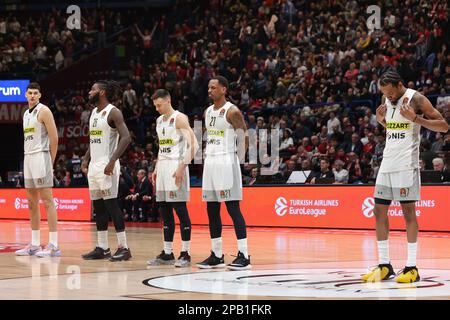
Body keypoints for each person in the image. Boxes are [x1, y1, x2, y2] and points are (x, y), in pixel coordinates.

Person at [362, 69, 449, 283]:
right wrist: (381, 120)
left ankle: (412, 267)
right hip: (387, 162)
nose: (388, 97)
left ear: (400, 84)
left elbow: (444, 126)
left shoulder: (416, 98)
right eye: (385, 94)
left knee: (408, 212)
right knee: (378, 210)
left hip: (406, 165)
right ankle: (385, 265)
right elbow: (395, 129)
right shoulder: (386, 98)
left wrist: (416, 118)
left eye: (390, 93)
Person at [197, 76, 252, 270]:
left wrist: (243, 160)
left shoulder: (232, 111)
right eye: (209, 87)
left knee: (232, 208)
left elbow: (245, 136)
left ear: (224, 89)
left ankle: (244, 254)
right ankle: (217, 255)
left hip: (227, 160)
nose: (210, 90)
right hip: (211, 161)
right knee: (212, 210)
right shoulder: (208, 111)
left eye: (214, 87)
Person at [81, 80, 132, 262]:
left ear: (101, 92)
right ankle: (102, 248)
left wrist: (112, 161)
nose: (89, 92)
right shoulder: (94, 112)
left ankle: (124, 248)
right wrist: (86, 158)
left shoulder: (113, 112)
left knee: (112, 206)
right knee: (99, 208)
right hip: (94, 165)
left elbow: (126, 138)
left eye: (93, 89)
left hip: (107, 165)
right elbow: (94, 140)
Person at [147, 89, 198, 268]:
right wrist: (156, 167)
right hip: (163, 168)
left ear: (168, 101)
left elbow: (194, 146)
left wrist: (182, 167)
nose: (157, 109)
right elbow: (162, 147)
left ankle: (185, 253)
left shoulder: (180, 118)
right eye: (155, 106)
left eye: (159, 105)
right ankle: (167, 253)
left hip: (177, 166)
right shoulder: (159, 121)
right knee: (165, 212)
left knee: (180, 211)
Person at [15, 82, 61, 257]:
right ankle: (34, 244)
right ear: (26, 95)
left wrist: (51, 160)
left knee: (48, 200)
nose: (32, 95)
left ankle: (54, 245)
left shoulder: (44, 111)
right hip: (28, 158)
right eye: (30, 93)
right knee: (31, 203)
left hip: (42, 157)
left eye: (35, 93)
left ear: (40, 95)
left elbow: (54, 137)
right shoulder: (26, 113)